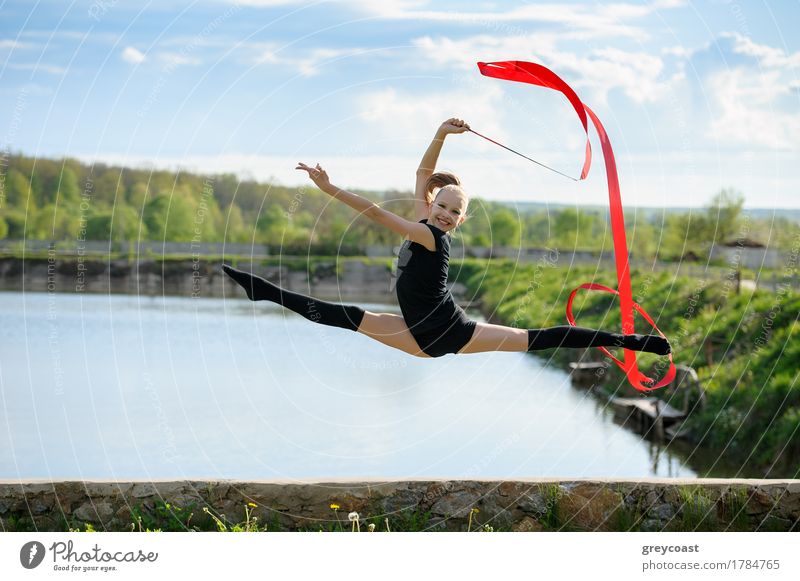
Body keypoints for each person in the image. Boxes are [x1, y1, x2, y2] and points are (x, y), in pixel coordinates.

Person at [222, 118, 671, 359]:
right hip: (426, 332)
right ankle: (262, 291)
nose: (446, 212)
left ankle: (632, 342)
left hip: (447, 331)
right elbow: (421, 174)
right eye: (443, 205)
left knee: (536, 337)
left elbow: (376, 213)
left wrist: (327, 189)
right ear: (435, 204)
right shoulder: (427, 222)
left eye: (455, 211)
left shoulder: (429, 235)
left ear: (460, 220)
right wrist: (440, 134)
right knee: (347, 316)